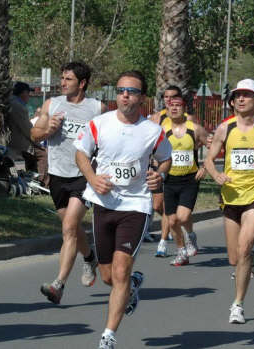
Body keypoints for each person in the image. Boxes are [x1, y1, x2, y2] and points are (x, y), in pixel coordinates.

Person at [75, 71, 172, 348]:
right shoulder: (99, 124)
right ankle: (133, 285)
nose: (124, 94)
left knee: (120, 272)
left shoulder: (153, 131)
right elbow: (81, 153)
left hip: (136, 205)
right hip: (104, 203)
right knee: (107, 276)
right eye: (120, 90)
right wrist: (92, 178)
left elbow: (165, 159)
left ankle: (108, 336)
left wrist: (159, 175)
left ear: (142, 97)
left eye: (131, 90)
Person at [205, 79, 254, 324]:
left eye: (246, 95)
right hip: (230, 195)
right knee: (234, 258)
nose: (240, 99)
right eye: (238, 95)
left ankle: (237, 304)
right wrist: (216, 174)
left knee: (244, 249)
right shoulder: (224, 129)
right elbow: (208, 160)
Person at [31, 61, 105, 305]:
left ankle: (58, 284)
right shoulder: (52, 105)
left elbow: (108, 140)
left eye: (68, 79)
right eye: (62, 78)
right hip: (58, 175)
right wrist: (47, 130)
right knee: (71, 228)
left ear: (82, 83)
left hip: (84, 175)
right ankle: (90, 256)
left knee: (70, 227)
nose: (62, 83)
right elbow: (34, 135)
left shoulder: (97, 109)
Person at [158, 95, 208, 266]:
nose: (174, 108)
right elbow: (153, 151)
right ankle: (181, 253)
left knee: (183, 216)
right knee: (171, 220)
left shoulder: (195, 129)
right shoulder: (162, 130)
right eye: (171, 105)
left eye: (178, 105)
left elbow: (214, 145)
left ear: (184, 109)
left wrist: (205, 168)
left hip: (190, 179)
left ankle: (191, 235)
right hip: (169, 179)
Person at [147, 86, 182, 245]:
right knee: (157, 205)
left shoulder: (188, 119)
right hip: (160, 166)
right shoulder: (156, 118)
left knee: (167, 204)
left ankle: (165, 237)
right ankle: (172, 221)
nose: (169, 100)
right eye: (166, 97)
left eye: (173, 96)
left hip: (179, 169)